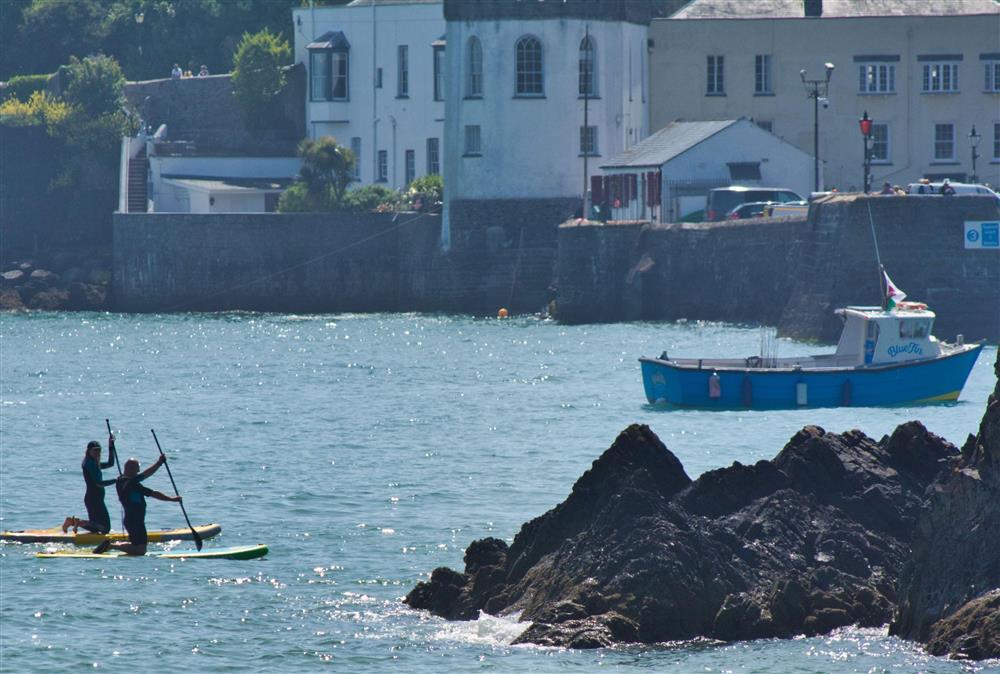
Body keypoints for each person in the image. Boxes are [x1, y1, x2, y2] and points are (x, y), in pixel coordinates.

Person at [93, 456, 180, 555]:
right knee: (140, 550)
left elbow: (145, 474)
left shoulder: (121, 480)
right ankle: (111, 546)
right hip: (135, 521)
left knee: (137, 546)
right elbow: (153, 493)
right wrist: (172, 499)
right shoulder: (132, 484)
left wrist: (159, 463)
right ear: (130, 469)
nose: (139, 470)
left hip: (132, 520)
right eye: (137, 468)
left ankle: (111, 544)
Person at [62, 436, 118, 534]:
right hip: (94, 499)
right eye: (95, 450)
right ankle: (76, 522)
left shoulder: (94, 463)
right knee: (105, 528)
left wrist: (111, 446)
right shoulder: (89, 464)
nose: (97, 452)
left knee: (96, 527)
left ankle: (73, 521)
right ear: (89, 451)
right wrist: (116, 481)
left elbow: (110, 463)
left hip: (96, 499)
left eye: (99, 450)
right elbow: (98, 483)